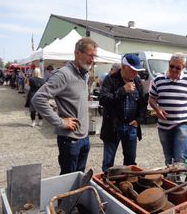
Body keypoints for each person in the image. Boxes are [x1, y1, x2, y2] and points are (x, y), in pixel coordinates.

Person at [32, 37, 98, 174]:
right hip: (70, 140)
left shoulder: (84, 74)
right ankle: (66, 197)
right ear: (77, 53)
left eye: (94, 56)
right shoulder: (64, 74)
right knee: (68, 180)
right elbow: (38, 98)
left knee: (79, 177)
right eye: (90, 55)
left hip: (84, 137)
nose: (93, 60)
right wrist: (60, 122)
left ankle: (75, 196)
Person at [148, 53, 187, 165]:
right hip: (163, 125)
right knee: (168, 158)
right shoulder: (158, 79)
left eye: (178, 68)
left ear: (184, 67)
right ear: (168, 64)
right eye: (172, 66)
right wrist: (157, 109)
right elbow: (151, 98)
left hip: (181, 124)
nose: (174, 69)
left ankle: (179, 181)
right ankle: (170, 180)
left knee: (180, 158)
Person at [99, 54, 147, 172]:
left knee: (130, 163)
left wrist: (139, 119)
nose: (136, 74)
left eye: (137, 71)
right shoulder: (110, 79)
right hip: (113, 127)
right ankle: (107, 186)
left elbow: (142, 102)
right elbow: (103, 100)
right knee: (108, 163)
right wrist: (123, 90)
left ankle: (126, 186)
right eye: (133, 71)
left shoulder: (137, 81)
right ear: (124, 67)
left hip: (131, 127)